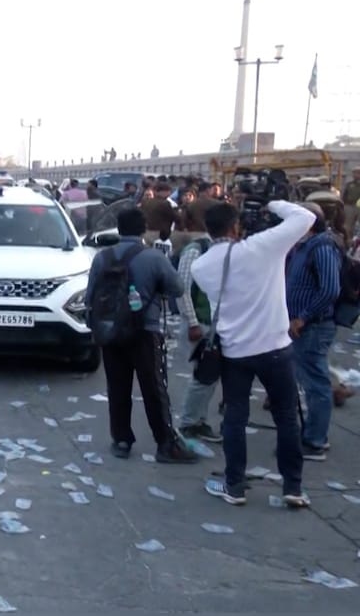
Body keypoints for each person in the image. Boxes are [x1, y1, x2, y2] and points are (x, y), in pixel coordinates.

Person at [191, 201, 314, 507]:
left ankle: (234, 486)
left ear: (208, 230)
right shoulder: (263, 247)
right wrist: (272, 203)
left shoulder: (200, 266)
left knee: (235, 418)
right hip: (275, 347)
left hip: (235, 353)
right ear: (236, 227)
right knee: (287, 418)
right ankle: (293, 487)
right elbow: (306, 216)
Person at [85, 207, 196, 463]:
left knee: (118, 387)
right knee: (154, 389)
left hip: (111, 331)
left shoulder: (102, 258)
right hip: (145, 331)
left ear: (119, 229)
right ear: (143, 228)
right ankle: (165, 444)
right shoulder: (154, 257)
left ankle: (121, 440)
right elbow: (177, 288)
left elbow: (91, 295)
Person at [285, 202, 341, 462]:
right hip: (304, 325)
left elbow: (330, 289)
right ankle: (315, 433)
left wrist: (303, 318)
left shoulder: (322, 246)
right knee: (311, 382)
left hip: (313, 326)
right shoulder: (304, 246)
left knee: (316, 384)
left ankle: (315, 441)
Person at [174, 224, 220, 442]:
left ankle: (198, 420)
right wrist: (192, 322)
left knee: (208, 377)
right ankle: (189, 423)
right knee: (204, 375)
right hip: (200, 323)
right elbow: (182, 289)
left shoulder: (219, 250)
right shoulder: (196, 250)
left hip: (214, 323)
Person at [141, 181, 176, 246]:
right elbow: (174, 217)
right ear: (161, 192)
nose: (169, 193)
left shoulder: (145, 202)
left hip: (146, 232)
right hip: (159, 234)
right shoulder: (165, 203)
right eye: (167, 191)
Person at [343, 167, 360, 240]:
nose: (356, 175)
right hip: (349, 206)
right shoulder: (349, 184)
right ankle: (348, 241)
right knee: (348, 226)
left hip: (359, 207)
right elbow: (344, 195)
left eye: (357, 173)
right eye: (354, 173)